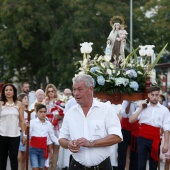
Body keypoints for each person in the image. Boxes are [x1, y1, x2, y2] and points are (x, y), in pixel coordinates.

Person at [59, 74, 123, 170]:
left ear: (90, 89)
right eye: (74, 89)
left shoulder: (106, 110)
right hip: (76, 166)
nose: (76, 93)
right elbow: (61, 139)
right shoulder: (70, 113)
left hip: (102, 167)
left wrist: (91, 143)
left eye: (80, 89)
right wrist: (69, 144)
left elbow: (117, 137)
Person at [129, 86, 170, 170]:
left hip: (155, 139)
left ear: (159, 95)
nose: (154, 97)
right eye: (153, 95)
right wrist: (141, 109)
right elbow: (131, 120)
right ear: (149, 95)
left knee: (153, 166)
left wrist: (166, 143)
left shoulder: (164, 110)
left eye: (156, 95)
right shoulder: (143, 107)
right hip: (142, 138)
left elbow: (166, 128)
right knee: (140, 165)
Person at [0, 83, 26, 170]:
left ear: (14, 92)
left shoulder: (18, 104)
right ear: (3, 92)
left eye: (10, 90)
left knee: (14, 157)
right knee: (2, 158)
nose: (8, 92)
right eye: (6, 90)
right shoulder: (0, 103)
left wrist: (24, 135)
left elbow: (22, 120)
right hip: (2, 134)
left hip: (15, 135)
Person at [29, 104, 59, 170]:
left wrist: (60, 142)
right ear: (36, 113)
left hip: (43, 149)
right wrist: (25, 137)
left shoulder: (48, 124)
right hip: (33, 148)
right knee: (35, 167)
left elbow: (52, 136)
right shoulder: (32, 122)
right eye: (40, 112)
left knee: (41, 168)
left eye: (44, 112)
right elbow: (28, 134)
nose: (43, 114)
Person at [43, 83, 63, 170]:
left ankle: (54, 167)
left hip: (57, 127)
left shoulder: (60, 102)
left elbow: (63, 113)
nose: (51, 93)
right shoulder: (45, 102)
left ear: (55, 92)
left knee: (56, 149)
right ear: (47, 93)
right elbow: (41, 113)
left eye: (52, 91)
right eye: (49, 91)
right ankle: (48, 166)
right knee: (49, 148)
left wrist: (59, 116)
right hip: (47, 127)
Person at [118, 100, 139, 170]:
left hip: (135, 129)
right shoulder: (125, 101)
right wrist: (129, 103)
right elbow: (125, 114)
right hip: (125, 128)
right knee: (122, 153)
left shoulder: (140, 101)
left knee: (134, 154)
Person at [17, 93, 29, 170]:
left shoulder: (30, 111)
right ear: (20, 100)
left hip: (27, 133)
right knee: (19, 157)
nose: (27, 99)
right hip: (18, 133)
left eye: (27, 98)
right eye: (25, 98)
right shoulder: (17, 111)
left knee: (24, 157)